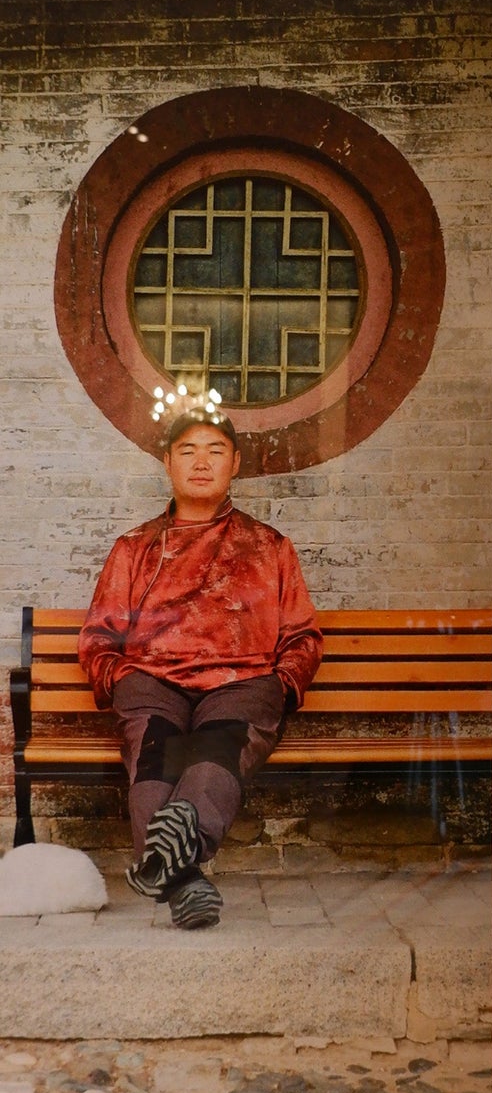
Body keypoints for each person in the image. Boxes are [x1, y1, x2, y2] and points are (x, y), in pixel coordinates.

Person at [78, 391, 322, 930]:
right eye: (188, 450)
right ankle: (185, 875)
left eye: (216, 450)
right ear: (167, 463)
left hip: (241, 684)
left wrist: (280, 686)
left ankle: (174, 860)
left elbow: (302, 635)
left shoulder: (269, 546)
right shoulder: (134, 548)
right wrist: (122, 677)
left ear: (235, 463)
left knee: (218, 745)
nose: (202, 461)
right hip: (153, 684)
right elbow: (98, 638)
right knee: (154, 756)